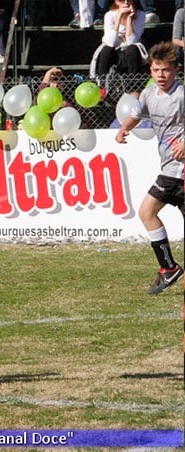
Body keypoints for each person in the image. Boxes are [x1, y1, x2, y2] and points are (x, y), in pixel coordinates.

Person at [114, 42, 184, 294]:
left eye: (165, 70)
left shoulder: (182, 96)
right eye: (156, 70)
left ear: (176, 71)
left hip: (180, 171)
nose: (161, 75)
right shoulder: (148, 95)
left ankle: (168, 268)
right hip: (169, 167)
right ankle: (168, 268)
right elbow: (136, 113)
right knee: (147, 213)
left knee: (146, 211)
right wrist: (124, 128)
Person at [92, 0, 146, 81]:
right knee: (106, 50)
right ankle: (102, 84)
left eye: (129, 0)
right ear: (116, 2)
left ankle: (132, 85)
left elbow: (131, 41)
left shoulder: (140, 15)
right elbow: (110, 42)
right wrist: (119, 17)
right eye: (122, 0)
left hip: (130, 51)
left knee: (132, 49)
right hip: (114, 50)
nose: (126, 2)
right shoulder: (109, 15)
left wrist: (129, 19)